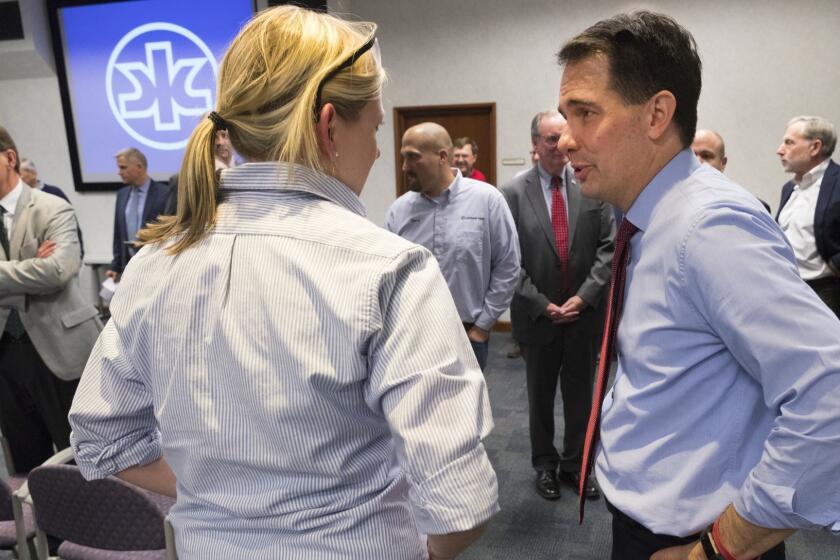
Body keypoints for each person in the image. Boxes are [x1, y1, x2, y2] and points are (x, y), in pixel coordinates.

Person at [69, 7, 498, 559]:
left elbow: (104, 437)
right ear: (328, 126)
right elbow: (458, 503)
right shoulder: (390, 268)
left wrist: (228, 495)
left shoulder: (153, 264)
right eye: (374, 125)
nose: (377, 148)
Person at [557, 11, 840, 559]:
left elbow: (830, 393)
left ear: (658, 114)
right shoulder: (650, 215)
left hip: (695, 541)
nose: (568, 140)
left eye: (586, 113)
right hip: (652, 524)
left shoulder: (708, 227)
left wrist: (718, 550)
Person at [500, 110, 614, 502]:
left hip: (584, 315)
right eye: (551, 139)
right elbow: (508, 259)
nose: (560, 146)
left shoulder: (590, 184)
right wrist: (543, 304)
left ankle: (576, 466)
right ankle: (545, 466)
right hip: (538, 316)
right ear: (535, 144)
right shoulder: (513, 193)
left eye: (564, 137)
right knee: (540, 398)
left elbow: (608, 248)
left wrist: (584, 297)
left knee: (582, 397)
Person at [0, 126, 101, 473]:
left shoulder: (52, 207)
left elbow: (58, 271)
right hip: (6, 356)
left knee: (82, 458)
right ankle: (48, 530)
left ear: (9, 158)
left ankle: (99, 527)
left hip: (59, 348)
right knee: (29, 465)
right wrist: (30, 266)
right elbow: (40, 272)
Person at [386, 123, 519, 370]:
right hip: (414, 334)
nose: (405, 167)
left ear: (442, 157)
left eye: (413, 157)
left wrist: (482, 326)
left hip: (468, 334)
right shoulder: (399, 210)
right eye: (403, 158)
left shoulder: (487, 200)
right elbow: (389, 273)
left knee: (468, 407)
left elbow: (508, 265)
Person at [776, 115, 840, 317]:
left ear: (815, 147)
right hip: (787, 290)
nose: (780, 150)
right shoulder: (789, 189)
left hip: (825, 293)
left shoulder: (837, 184)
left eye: (789, 142)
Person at [106, 148, 170, 281]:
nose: (119, 172)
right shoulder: (122, 194)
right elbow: (118, 234)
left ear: (139, 167)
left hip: (156, 268)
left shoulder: (165, 194)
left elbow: (171, 232)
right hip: (128, 268)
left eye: (123, 167)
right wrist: (115, 266)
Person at [692, 129, 771, 213]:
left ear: (722, 163)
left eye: (706, 156)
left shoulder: (752, 209)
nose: (697, 161)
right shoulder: (677, 204)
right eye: (692, 155)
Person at [20, 158, 86, 256]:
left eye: (20, 174)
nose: (17, 179)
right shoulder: (19, 198)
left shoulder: (54, 193)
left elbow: (71, 224)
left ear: (33, 174)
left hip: (58, 255)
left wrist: (78, 252)